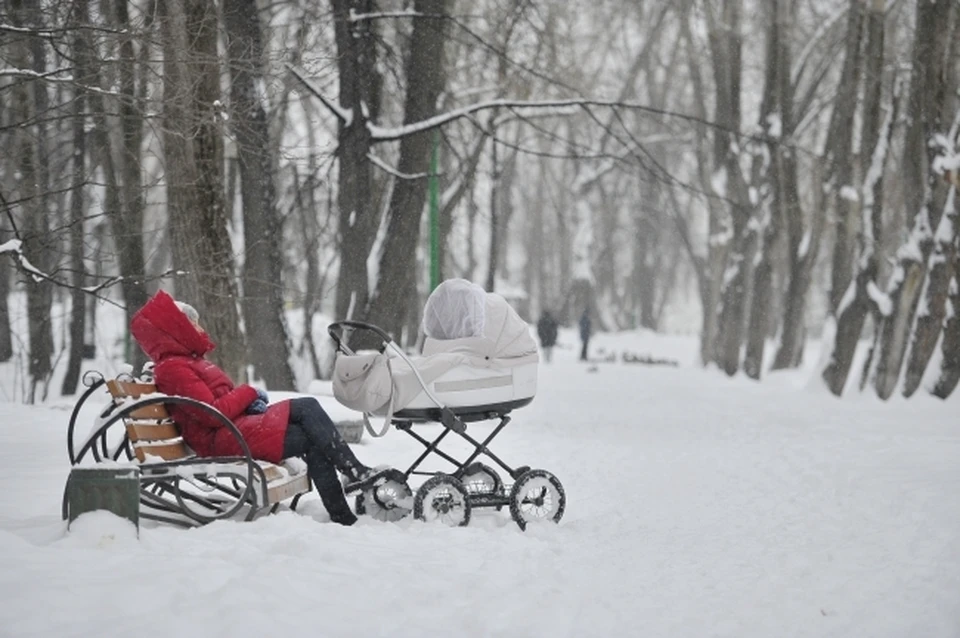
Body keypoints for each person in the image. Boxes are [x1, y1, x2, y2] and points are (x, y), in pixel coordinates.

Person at [130, 290, 392, 526]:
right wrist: (250, 392)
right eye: (192, 322)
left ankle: (344, 510)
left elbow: (216, 406)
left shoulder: (188, 362)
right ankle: (353, 476)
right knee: (308, 414)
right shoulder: (175, 368)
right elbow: (213, 413)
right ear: (176, 329)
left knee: (310, 430)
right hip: (221, 439)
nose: (199, 327)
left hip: (233, 429)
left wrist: (248, 400)